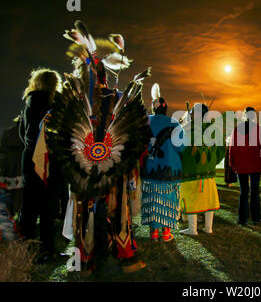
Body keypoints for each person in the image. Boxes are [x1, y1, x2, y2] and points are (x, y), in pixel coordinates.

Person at [41, 21, 151, 273]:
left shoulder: (74, 102)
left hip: (84, 170)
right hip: (113, 168)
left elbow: (53, 135)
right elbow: (139, 132)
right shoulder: (115, 98)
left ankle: (87, 260)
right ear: (103, 75)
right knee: (116, 210)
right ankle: (125, 258)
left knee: (86, 211)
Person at [19, 68, 62, 261]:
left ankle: (26, 249)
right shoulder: (57, 105)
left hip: (30, 158)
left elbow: (23, 132)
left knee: (29, 206)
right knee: (48, 207)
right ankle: (47, 249)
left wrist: (32, 147)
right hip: (51, 159)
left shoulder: (29, 102)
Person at [141, 91, 185, 242]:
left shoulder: (145, 121)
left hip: (149, 168)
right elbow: (182, 147)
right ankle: (166, 234)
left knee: (152, 199)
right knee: (168, 199)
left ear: (154, 108)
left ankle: (153, 233)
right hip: (170, 169)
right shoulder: (174, 123)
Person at [179, 103, 226, 235]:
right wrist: (212, 162)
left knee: (191, 198)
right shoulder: (214, 129)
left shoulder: (185, 129)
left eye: (192, 112)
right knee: (209, 199)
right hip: (208, 171)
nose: (189, 114)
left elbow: (178, 149)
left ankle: (193, 229)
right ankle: (208, 227)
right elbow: (222, 149)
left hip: (190, 171)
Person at [229, 107, 261, 225]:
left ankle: (243, 218)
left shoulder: (236, 130)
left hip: (241, 166)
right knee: (255, 192)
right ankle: (256, 217)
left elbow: (232, 148)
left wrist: (233, 164)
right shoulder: (258, 130)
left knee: (244, 192)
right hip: (255, 165)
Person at [0, 115, 24, 216]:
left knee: (9, 191)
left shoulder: (7, 133)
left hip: (8, 167)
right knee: (19, 192)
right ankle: (16, 212)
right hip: (19, 166)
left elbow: (3, 147)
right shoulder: (24, 133)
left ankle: (10, 212)